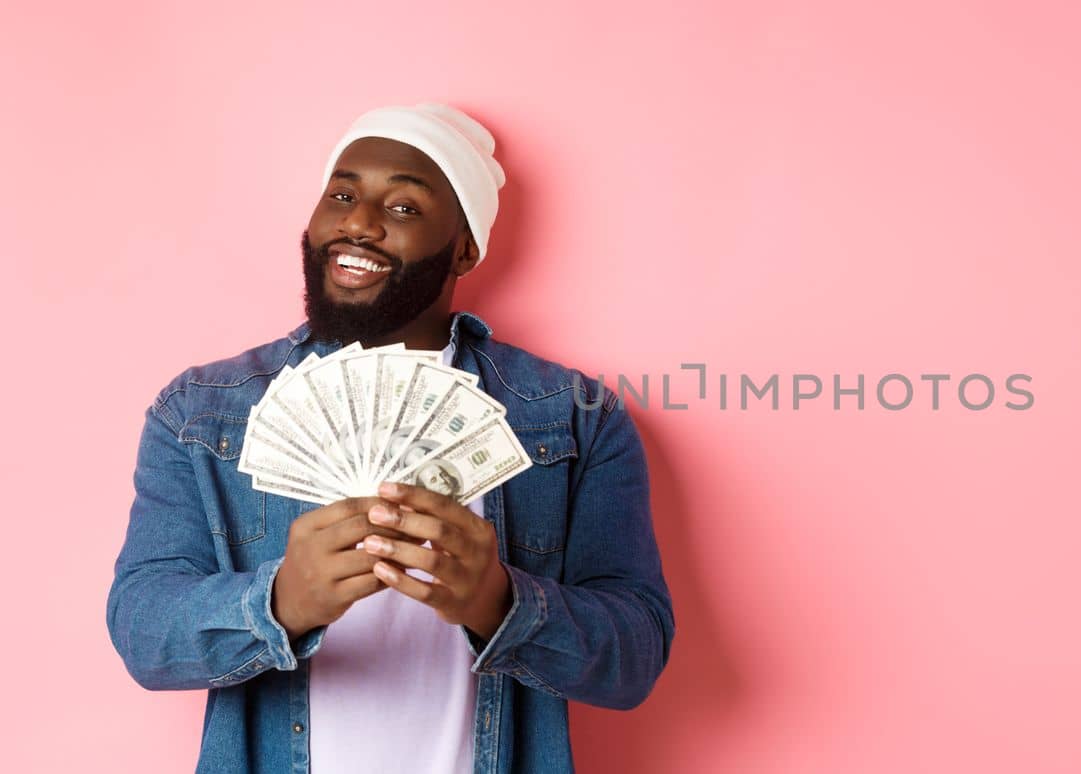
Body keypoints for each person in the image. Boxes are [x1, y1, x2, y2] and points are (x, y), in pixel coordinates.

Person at [106, 102, 674, 774]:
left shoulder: (575, 415)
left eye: (403, 207)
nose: (358, 222)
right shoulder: (201, 412)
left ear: (464, 247)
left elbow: (634, 657)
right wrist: (281, 602)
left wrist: (500, 602)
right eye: (342, 195)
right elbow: (143, 634)